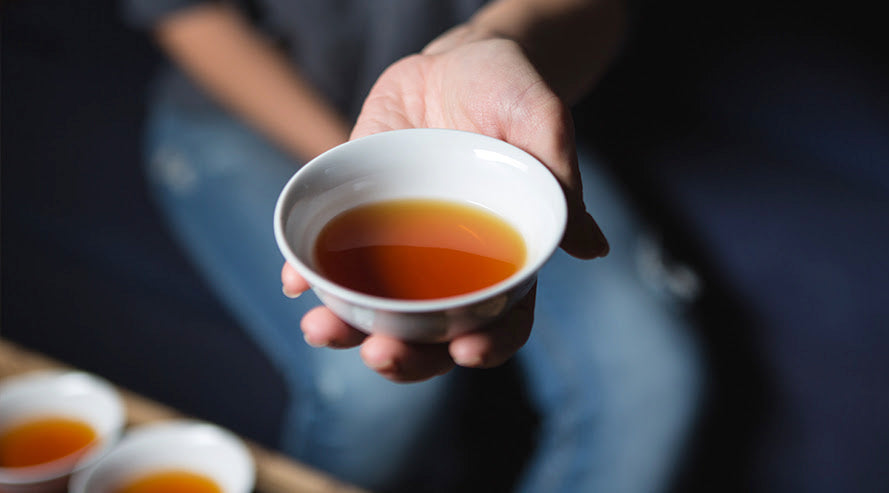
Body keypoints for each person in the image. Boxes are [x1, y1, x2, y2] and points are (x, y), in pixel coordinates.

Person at [124, 0, 702, 491]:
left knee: (651, 377)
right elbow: (187, 15)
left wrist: (491, 40)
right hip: (248, 113)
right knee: (374, 385)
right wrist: (367, 171)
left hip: (474, 110)